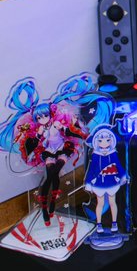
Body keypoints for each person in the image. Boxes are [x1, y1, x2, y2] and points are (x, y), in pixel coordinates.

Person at [0, 74, 114, 226]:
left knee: (56, 172)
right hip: (49, 151)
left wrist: (79, 132)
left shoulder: (57, 123)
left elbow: (71, 132)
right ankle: (47, 208)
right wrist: (37, 137)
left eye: (45, 116)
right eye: (39, 118)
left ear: (50, 114)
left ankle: (51, 205)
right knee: (51, 176)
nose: (43, 119)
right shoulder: (39, 130)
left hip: (62, 148)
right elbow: (32, 143)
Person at [84, 124, 128, 234]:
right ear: (96, 141)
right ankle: (99, 224)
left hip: (112, 181)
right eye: (101, 140)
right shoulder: (95, 155)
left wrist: (123, 177)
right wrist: (88, 183)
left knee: (113, 202)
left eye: (107, 140)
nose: (104, 143)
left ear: (111, 140)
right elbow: (92, 169)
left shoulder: (113, 154)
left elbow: (118, 166)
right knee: (100, 203)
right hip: (99, 183)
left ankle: (114, 223)